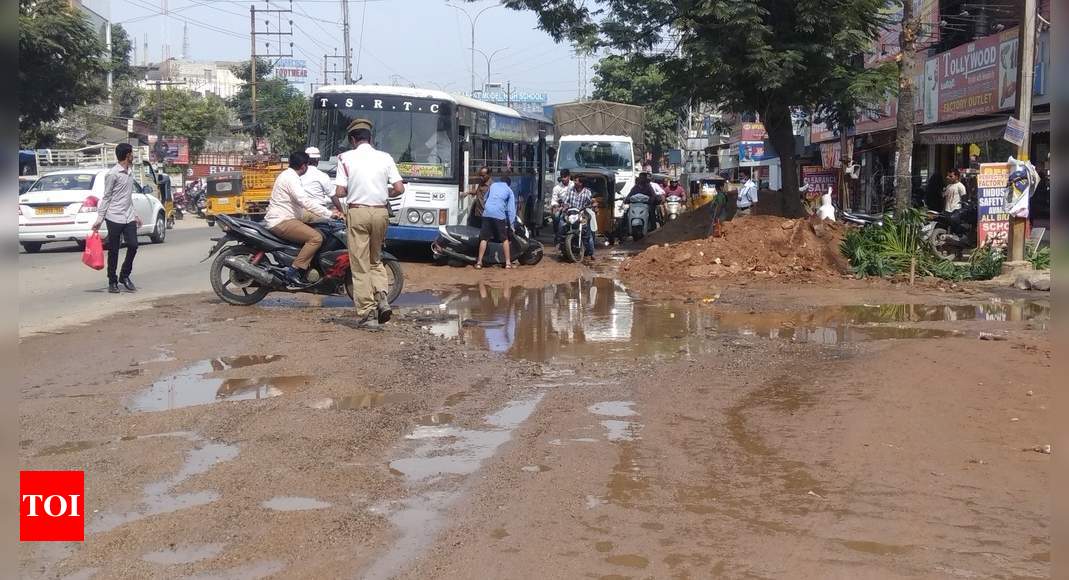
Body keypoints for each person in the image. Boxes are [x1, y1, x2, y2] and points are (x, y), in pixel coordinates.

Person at [333, 118, 405, 329]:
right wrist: (384, 191)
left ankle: (367, 313)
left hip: (358, 212)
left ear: (352, 139)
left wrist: (354, 189)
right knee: (376, 260)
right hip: (381, 213)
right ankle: (382, 298)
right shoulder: (385, 157)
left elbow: (339, 192)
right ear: (370, 138)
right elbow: (399, 188)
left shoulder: (344, 158)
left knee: (360, 264)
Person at [264, 151, 335, 287]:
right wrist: (329, 214)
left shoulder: (288, 175)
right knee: (316, 238)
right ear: (303, 166)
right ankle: (293, 270)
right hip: (282, 221)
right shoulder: (291, 178)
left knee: (320, 229)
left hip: (289, 217)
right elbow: (304, 201)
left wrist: (326, 214)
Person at [92, 143, 141, 294]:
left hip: (128, 216)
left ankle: (124, 276)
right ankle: (112, 280)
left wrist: (135, 215)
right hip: (113, 216)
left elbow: (128, 197)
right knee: (114, 250)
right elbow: (106, 197)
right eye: (132, 153)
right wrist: (100, 219)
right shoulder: (113, 174)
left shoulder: (130, 172)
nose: (133, 156)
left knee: (133, 245)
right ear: (127, 155)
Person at [476, 176, 516, 269]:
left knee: (484, 238)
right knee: (504, 239)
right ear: (508, 184)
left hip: (487, 213)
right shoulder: (509, 191)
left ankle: (479, 262)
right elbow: (511, 210)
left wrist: (489, 208)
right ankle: (508, 263)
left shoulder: (493, 186)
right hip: (499, 215)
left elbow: (485, 198)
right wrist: (512, 225)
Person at [562, 174, 596, 260]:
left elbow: (592, 201)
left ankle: (591, 252)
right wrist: (565, 207)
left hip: (582, 213)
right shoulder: (570, 190)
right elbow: (565, 201)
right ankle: (561, 246)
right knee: (561, 225)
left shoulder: (587, 192)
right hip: (571, 213)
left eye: (576, 180)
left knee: (587, 233)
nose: (574, 182)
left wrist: (594, 205)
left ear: (581, 183)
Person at [300, 146, 336, 217]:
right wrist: (341, 210)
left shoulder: (297, 174)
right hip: (318, 211)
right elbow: (333, 196)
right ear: (317, 160)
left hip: (300, 210)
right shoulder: (322, 175)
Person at [550, 169, 575, 243]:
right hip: (562, 208)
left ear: (569, 177)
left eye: (565, 177)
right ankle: (557, 235)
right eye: (562, 177)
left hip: (574, 207)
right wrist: (556, 207)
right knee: (556, 216)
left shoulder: (574, 185)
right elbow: (554, 200)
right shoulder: (557, 188)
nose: (563, 179)